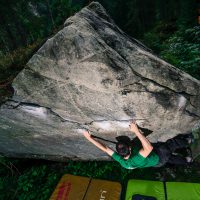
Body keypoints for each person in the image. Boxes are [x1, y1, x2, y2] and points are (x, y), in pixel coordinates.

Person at [83, 120, 194, 169]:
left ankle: (187, 161)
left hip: (154, 163)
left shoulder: (122, 160)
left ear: (120, 154)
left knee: (169, 159)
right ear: (130, 148)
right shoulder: (134, 159)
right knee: (170, 144)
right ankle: (188, 140)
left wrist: (89, 138)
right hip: (157, 156)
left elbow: (105, 148)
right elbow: (149, 148)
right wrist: (136, 131)